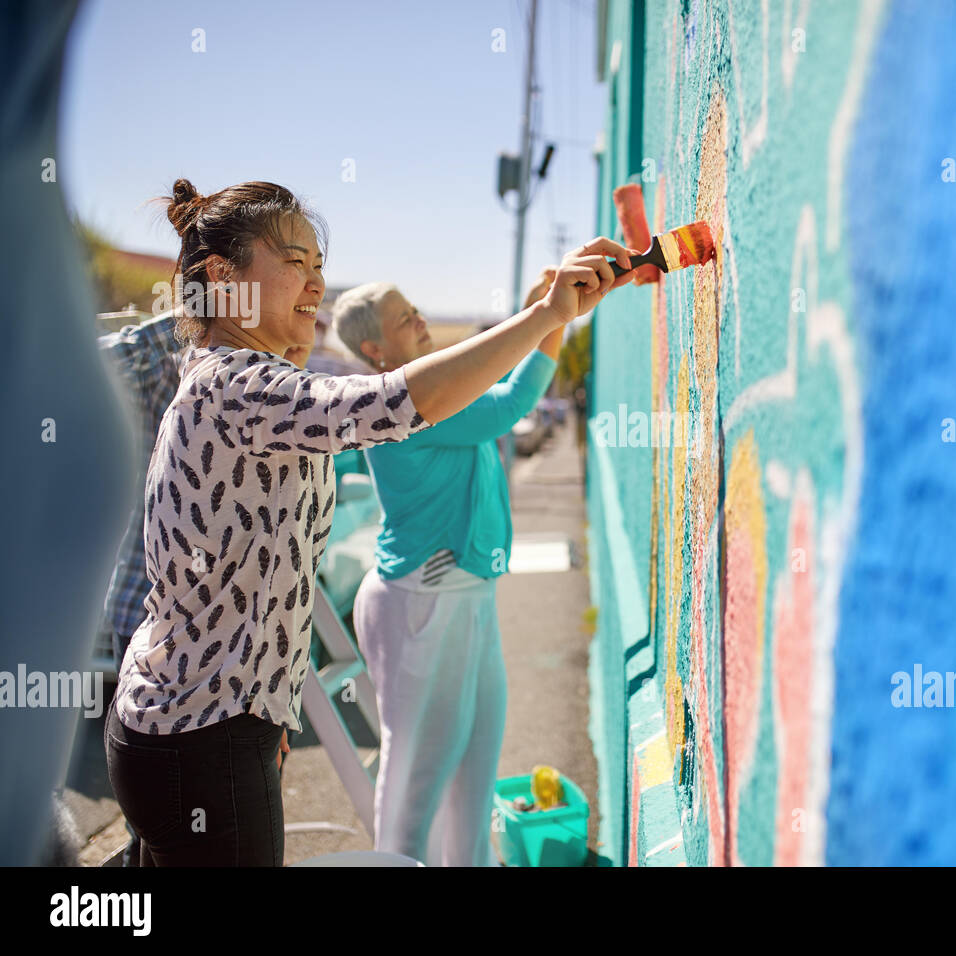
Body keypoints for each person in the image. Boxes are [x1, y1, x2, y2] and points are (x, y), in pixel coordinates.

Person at [105, 177, 633, 866]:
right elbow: (399, 401)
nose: (315, 284)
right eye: (294, 261)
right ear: (220, 276)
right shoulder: (233, 388)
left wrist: (274, 711)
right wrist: (542, 318)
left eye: (319, 267)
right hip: (202, 741)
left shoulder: (240, 380)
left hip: (203, 728)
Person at [333, 268, 561, 865]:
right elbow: (510, 404)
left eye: (417, 309)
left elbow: (503, 387)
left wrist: (550, 315)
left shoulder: (437, 391)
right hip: (422, 598)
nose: (421, 321)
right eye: (404, 319)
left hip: (466, 595)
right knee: (418, 776)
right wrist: (553, 316)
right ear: (375, 350)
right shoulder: (404, 405)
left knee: (475, 770)